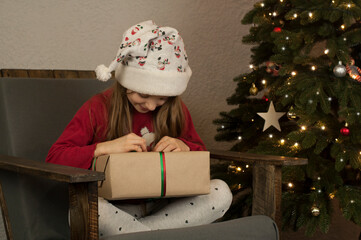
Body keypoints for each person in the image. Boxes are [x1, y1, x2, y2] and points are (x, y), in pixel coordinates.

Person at [46, 20, 232, 237]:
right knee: (87, 210)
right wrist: (105, 148)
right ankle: (156, 234)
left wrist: (184, 146)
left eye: (161, 98)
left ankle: (140, 234)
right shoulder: (98, 108)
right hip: (116, 210)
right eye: (143, 95)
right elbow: (55, 159)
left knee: (222, 192)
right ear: (126, 83)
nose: (151, 106)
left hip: (166, 207)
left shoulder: (175, 109)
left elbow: (201, 162)